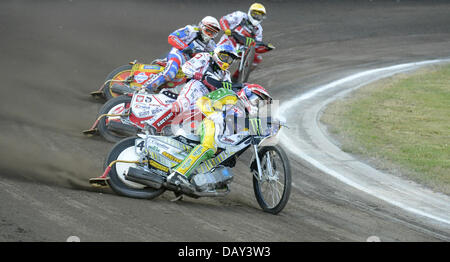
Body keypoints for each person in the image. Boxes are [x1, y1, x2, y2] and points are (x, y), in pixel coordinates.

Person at [165, 45, 243, 188]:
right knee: (181, 105)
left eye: (230, 60)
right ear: (217, 53)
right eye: (225, 57)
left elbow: (227, 92)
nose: (227, 62)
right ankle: (152, 124)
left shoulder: (225, 75)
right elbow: (186, 68)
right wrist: (200, 76)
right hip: (194, 86)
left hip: (206, 99)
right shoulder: (204, 58)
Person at [142, 16, 221, 91]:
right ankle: (145, 88)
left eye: (213, 33)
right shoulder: (191, 30)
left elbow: (216, 56)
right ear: (201, 26)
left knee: (190, 83)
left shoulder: (211, 44)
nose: (209, 35)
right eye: (208, 31)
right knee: (170, 73)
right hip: (179, 54)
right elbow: (172, 37)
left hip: (189, 65)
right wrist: (187, 48)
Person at [218, 3, 275, 80]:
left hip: (243, 47)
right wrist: (227, 29)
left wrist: (266, 48)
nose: (257, 17)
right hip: (230, 40)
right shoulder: (240, 15)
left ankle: (237, 77)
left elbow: (256, 47)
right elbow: (224, 19)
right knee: (220, 58)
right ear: (250, 12)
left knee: (257, 58)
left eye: (259, 15)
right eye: (255, 14)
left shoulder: (258, 29)